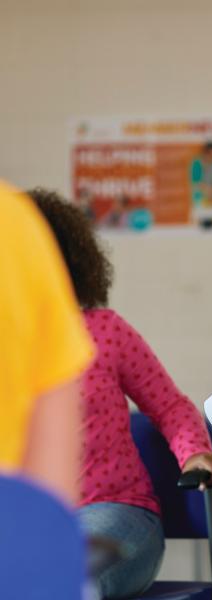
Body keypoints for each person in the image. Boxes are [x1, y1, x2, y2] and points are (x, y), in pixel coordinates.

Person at [28, 188, 212, 600]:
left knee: (60, 577)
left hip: (115, 511)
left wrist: (195, 451)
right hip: (28, 523)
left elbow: (170, 405)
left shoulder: (103, 330)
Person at [0, 181, 94, 505]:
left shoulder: (15, 222)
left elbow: (170, 407)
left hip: (108, 504)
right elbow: (49, 488)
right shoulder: (14, 221)